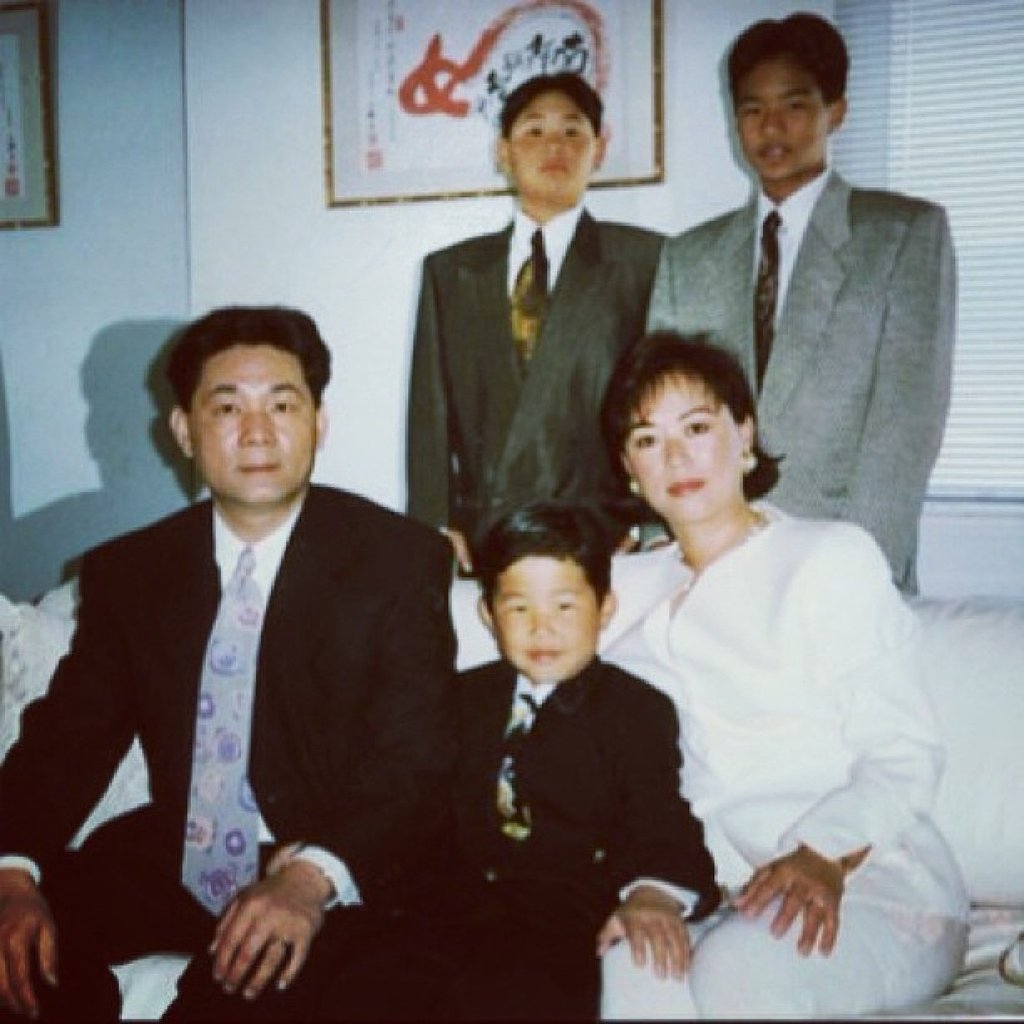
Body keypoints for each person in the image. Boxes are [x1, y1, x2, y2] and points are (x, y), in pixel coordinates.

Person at [0, 305, 456, 1019]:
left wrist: (311, 878)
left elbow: (417, 759)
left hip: (323, 867)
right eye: (227, 407)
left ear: (318, 423)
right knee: (18, 962)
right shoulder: (130, 571)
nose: (257, 432)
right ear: (184, 431)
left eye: (282, 404)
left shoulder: (396, 561)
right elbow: (69, 738)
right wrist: (11, 873)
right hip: (177, 856)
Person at [595, 331, 968, 1018]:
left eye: (698, 427)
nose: (676, 456)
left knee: (741, 968)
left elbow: (903, 749)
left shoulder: (828, 557)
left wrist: (820, 855)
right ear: (628, 468)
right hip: (712, 890)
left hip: (867, 879)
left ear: (745, 435)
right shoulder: (621, 588)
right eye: (648, 440)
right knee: (634, 970)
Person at [647, 12, 955, 594]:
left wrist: (859, 572)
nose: (771, 128)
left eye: (793, 105)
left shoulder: (902, 234)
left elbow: (906, 427)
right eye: (751, 109)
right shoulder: (687, 258)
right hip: (711, 567)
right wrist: (671, 556)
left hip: (840, 555)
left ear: (835, 111)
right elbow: (660, 424)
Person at [390, 502, 718, 1019]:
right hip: (443, 911)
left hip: (559, 926)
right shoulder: (459, 698)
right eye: (519, 609)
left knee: (508, 999)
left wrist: (653, 892)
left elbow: (659, 816)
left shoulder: (635, 710)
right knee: (372, 986)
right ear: (487, 615)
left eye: (564, 607)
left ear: (604, 608)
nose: (542, 629)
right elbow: (409, 794)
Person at [406, 71, 664, 572]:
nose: (555, 146)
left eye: (573, 131)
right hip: (488, 535)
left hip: (608, 538)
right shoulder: (452, 272)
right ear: (503, 151)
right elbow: (429, 413)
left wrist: (646, 524)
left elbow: (661, 403)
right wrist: (434, 525)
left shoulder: (644, 260)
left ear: (600, 148)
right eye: (533, 130)